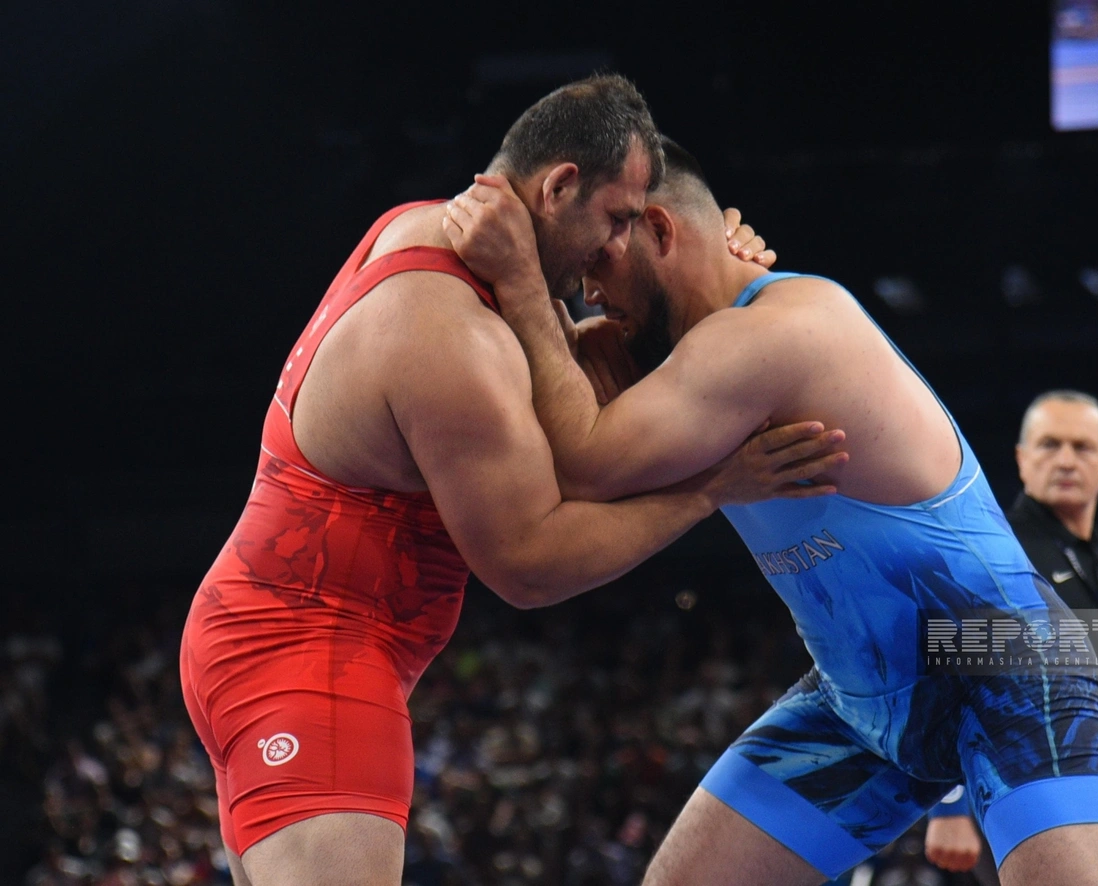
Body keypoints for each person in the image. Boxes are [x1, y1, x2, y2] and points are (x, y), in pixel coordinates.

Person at [179, 75, 847, 886]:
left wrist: (705, 271)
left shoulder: (427, 229)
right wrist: (712, 489)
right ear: (559, 186)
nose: (619, 247)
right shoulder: (450, 335)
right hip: (307, 653)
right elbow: (530, 566)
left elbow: (568, 387)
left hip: (276, 636)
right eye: (617, 218)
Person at [445, 139, 1098, 885]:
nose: (591, 291)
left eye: (600, 261)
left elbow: (585, 465)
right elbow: (560, 395)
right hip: (859, 703)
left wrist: (523, 282)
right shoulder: (682, 353)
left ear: (659, 230)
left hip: (1005, 671)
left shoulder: (774, 333)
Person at [923, 390, 1098, 883]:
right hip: (1008, 792)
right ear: (1022, 459)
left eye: (1082, 447)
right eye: (1049, 444)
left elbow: (1079, 712)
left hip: (1079, 788)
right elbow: (943, 668)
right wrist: (948, 807)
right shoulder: (998, 547)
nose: (1065, 460)